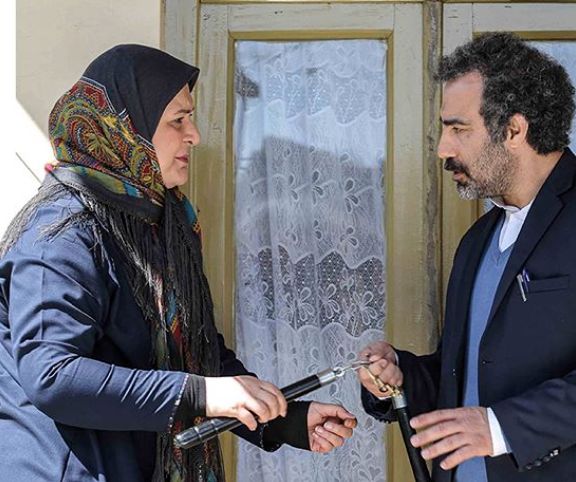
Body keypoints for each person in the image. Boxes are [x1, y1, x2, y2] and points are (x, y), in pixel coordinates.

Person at [0, 44, 357, 482]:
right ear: (126, 127)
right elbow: (53, 376)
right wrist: (200, 394)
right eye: (178, 120)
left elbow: (195, 355)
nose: (195, 135)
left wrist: (283, 419)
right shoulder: (62, 230)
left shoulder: (162, 223)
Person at [358, 32, 576, 481]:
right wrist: (403, 377)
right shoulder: (477, 240)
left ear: (514, 130)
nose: (443, 149)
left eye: (458, 129)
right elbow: (467, 377)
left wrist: (501, 428)